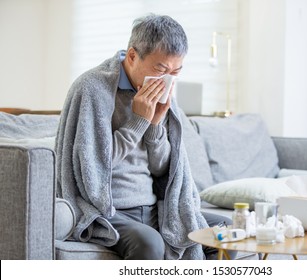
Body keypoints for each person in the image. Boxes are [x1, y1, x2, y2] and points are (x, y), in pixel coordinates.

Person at [55, 14, 235, 260]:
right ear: (132, 56)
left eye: (176, 71)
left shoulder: (164, 94)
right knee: (150, 242)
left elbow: (164, 170)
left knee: (228, 233)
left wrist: (155, 126)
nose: (167, 79)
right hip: (108, 210)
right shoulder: (91, 89)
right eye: (160, 69)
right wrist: (138, 122)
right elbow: (93, 170)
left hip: (153, 207)